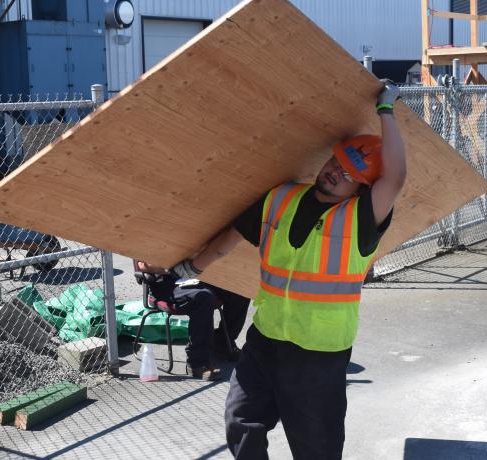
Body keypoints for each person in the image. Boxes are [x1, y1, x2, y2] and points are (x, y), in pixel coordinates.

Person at [168, 80, 406, 458]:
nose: (334, 173)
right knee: (241, 420)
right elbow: (232, 236)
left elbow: (394, 178)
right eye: (335, 163)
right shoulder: (281, 198)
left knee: (316, 446)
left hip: (319, 351)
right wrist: (190, 266)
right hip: (266, 337)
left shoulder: (361, 220)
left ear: (360, 189)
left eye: (348, 175)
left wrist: (386, 111)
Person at [136, 260, 250, 381]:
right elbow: (144, 265)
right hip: (166, 286)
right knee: (204, 297)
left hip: (197, 276)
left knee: (240, 291)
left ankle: (222, 344)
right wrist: (176, 268)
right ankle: (196, 363)